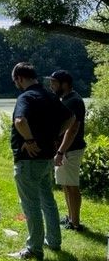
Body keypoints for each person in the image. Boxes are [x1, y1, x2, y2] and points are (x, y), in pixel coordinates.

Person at [8, 62, 74, 260]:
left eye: (15, 81)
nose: (16, 85)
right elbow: (70, 118)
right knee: (48, 201)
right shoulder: (49, 96)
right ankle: (53, 241)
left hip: (29, 160)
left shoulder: (26, 97)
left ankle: (34, 249)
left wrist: (29, 140)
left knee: (31, 205)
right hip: (46, 158)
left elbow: (20, 121)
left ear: (20, 78)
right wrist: (55, 135)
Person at [48, 70, 86, 231]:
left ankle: (75, 223)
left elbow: (73, 129)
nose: (51, 85)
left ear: (64, 84)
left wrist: (61, 151)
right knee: (65, 184)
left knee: (72, 186)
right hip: (64, 150)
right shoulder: (66, 99)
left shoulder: (74, 101)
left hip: (71, 149)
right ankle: (70, 218)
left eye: (54, 82)